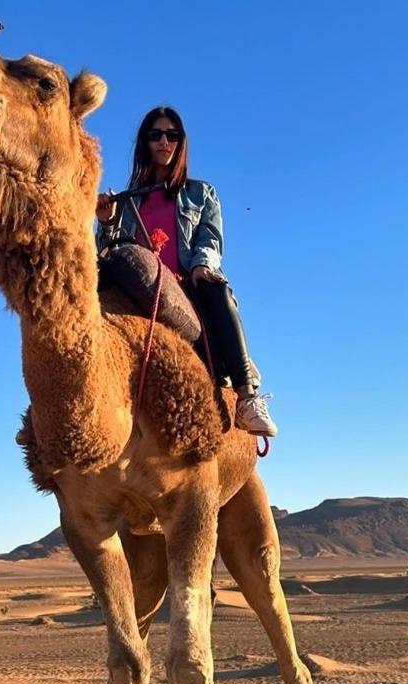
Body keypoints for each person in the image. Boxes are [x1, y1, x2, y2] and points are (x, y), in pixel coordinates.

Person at [96, 106, 277, 437]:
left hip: (185, 283)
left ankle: (246, 395)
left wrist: (202, 264)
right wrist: (107, 220)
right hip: (138, 283)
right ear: (144, 143)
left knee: (216, 288)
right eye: (156, 135)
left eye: (171, 135)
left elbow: (209, 237)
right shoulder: (125, 200)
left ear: (181, 143)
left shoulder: (201, 193)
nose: (164, 142)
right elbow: (108, 247)